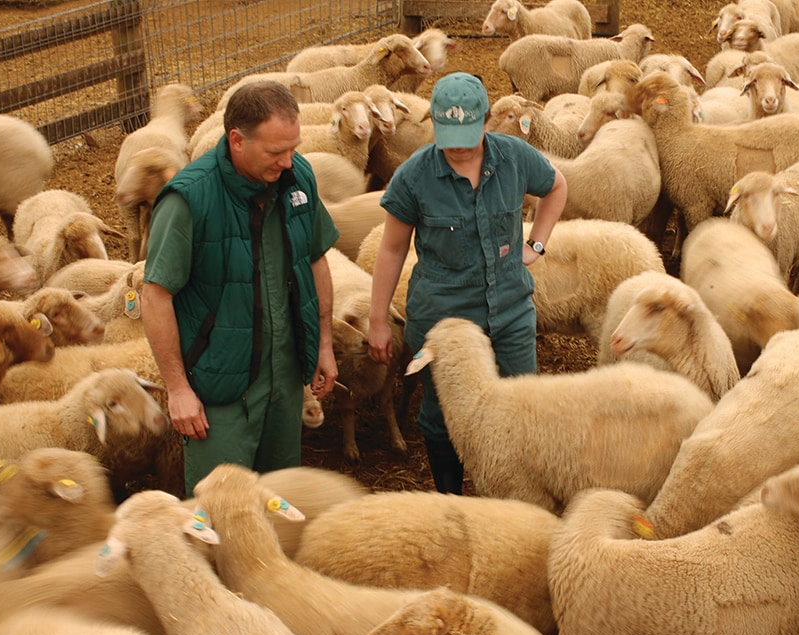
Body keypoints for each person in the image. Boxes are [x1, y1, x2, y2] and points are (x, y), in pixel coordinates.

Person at [367, 72, 568, 494]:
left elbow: (556, 185)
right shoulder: (414, 175)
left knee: (523, 406)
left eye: (467, 133)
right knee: (443, 415)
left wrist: (537, 243)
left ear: (486, 120)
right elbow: (391, 249)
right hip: (445, 320)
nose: (457, 144)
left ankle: (518, 502)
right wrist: (378, 320)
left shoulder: (514, 156)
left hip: (510, 310)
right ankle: (452, 501)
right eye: (448, 132)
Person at [142, 80, 339, 496]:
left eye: (293, 147)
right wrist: (177, 390)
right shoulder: (189, 199)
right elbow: (156, 295)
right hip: (219, 386)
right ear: (236, 140)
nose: (288, 161)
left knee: (280, 499)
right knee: (222, 506)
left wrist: (323, 344)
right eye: (274, 152)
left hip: (285, 377)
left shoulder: (297, 178)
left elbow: (315, 258)